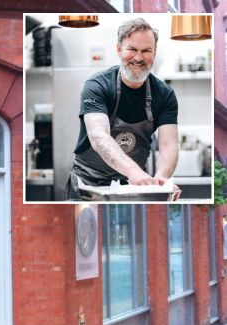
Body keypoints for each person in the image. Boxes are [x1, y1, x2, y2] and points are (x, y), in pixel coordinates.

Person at [65, 18, 179, 200]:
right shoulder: (97, 85)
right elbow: (98, 136)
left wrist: (161, 180)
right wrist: (133, 171)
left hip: (133, 186)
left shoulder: (165, 94)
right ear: (119, 50)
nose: (139, 58)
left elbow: (169, 144)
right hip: (88, 185)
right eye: (132, 49)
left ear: (154, 53)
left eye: (146, 51)